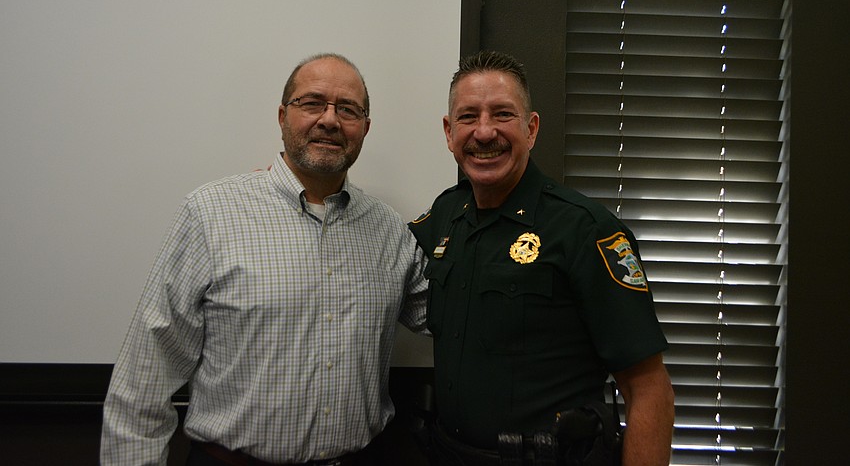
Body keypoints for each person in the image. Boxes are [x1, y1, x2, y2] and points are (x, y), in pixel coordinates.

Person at [101, 53, 429, 466]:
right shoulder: (210, 213)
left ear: (365, 127)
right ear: (282, 116)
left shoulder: (389, 231)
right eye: (312, 103)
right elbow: (146, 374)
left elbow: (448, 318)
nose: (329, 119)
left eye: (348, 109)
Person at [409, 50, 675, 466]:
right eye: (467, 117)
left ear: (531, 129)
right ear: (448, 132)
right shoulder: (445, 214)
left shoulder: (586, 229)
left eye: (502, 114)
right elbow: (378, 251)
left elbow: (649, 389)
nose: (483, 132)